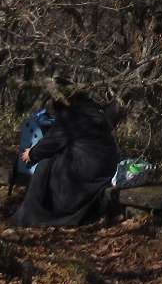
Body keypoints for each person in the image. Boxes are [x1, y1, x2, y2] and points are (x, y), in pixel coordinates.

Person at [10, 95, 119, 228]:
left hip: (85, 171)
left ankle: (33, 214)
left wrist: (31, 154)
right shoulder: (92, 111)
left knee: (45, 164)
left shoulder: (71, 116)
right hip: (106, 168)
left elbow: (52, 143)